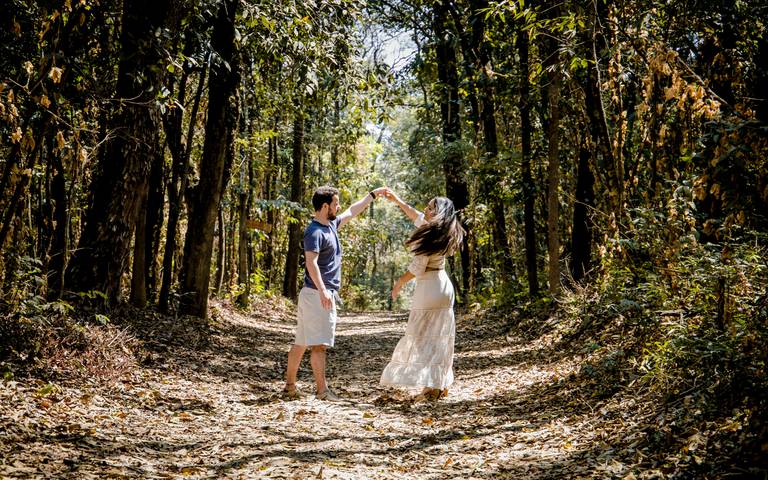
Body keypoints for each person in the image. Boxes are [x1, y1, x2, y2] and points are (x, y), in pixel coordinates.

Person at [284, 185, 388, 402]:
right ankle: (322, 392)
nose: (338, 207)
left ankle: (290, 387)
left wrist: (372, 195)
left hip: (312, 294)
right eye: (335, 203)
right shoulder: (314, 232)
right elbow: (311, 263)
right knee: (319, 345)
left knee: (301, 342)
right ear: (325, 206)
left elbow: (352, 211)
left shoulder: (331, 225)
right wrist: (323, 291)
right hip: (317, 294)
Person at [380, 190, 465, 400]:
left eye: (429, 208)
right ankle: (440, 382)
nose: (425, 210)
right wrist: (397, 200)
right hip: (444, 286)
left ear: (437, 213)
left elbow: (418, 267)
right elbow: (415, 215)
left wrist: (399, 282)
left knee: (421, 337)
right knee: (440, 337)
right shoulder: (445, 230)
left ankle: (430, 386)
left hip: (429, 287)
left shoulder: (430, 234)